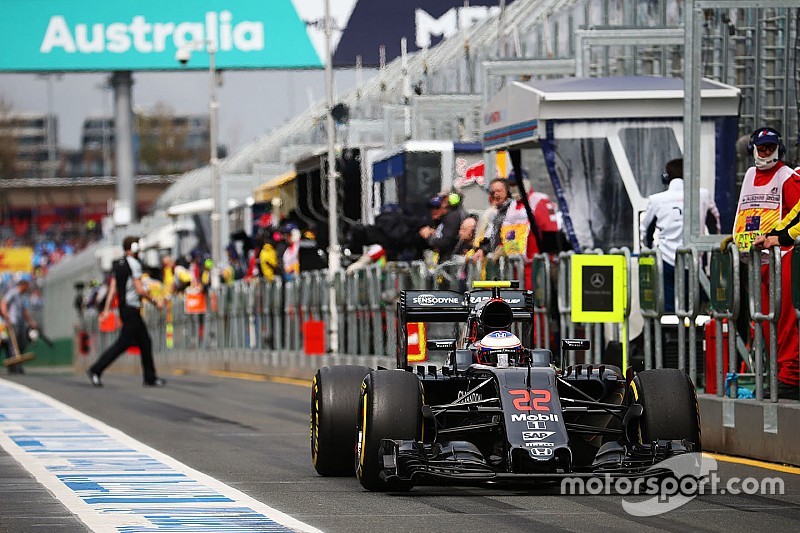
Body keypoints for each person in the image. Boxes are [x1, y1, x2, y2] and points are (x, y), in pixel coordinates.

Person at [732, 127, 800, 399]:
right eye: (762, 147)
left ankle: (790, 376)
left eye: (771, 147)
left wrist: (778, 238)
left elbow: (795, 214)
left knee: (783, 320)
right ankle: (777, 374)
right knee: (762, 321)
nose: (766, 152)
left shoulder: (788, 177)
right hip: (755, 260)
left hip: (781, 257)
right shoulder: (750, 175)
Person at [641, 158, 721, 313]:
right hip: (695, 259)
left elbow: (646, 231)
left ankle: (673, 335)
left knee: (670, 309)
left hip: (666, 260)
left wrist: (649, 248)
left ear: (666, 177)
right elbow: (715, 227)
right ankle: (693, 335)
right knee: (695, 307)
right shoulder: (703, 195)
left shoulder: (656, 200)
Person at [87, 236, 166, 388]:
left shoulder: (119, 264)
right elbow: (140, 290)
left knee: (145, 342)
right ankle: (96, 369)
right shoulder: (134, 265)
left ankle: (150, 377)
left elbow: (112, 289)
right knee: (123, 343)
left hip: (125, 309)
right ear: (134, 247)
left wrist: (106, 309)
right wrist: (155, 301)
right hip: (131, 309)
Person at [0, 276, 37, 374]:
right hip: (13, 321)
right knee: (13, 344)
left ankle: (17, 363)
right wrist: (6, 316)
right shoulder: (13, 292)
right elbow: (3, 303)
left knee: (22, 342)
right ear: (23, 285)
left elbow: (24, 311)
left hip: (20, 322)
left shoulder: (21, 296)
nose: (28, 289)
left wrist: (30, 322)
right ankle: (14, 366)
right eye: (27, 287)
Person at [472, 178, 513, 264]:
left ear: (507, 192)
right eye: (493, 192)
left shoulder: (513, 210)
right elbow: (490, 237)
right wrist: (482, 250)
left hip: (509, 263)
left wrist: (503, 248)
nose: (495, 194)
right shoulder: (494, 213)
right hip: (495, 262)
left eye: (499, 191)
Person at [418, 193, 466, 262]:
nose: (433, 210)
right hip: (442, 260)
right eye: (431, 208)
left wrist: (428, 236)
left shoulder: (452, 218)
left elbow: (445, 243)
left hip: (450, 263)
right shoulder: (442, 218)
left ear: (444, 205)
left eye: (437, 207)